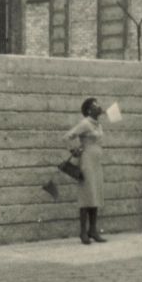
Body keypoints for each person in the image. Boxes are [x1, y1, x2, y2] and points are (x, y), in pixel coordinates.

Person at [64, 97, 106, 245]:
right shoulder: (85, 123)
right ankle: (83, 232)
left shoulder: (98, 124)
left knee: (95, 194)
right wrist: (74, 148)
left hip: (96, 162)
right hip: (87, 161)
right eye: (95, 105)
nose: (99, 107)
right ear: (89, 110)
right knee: (86, 195)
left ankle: (93, 230)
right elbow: (68, 136)